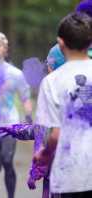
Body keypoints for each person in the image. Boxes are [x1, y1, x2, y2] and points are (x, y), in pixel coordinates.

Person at [34, 12, 92, 198]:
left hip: (71, 174)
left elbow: (55, 134)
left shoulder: (52, 82)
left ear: (60, 43)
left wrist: (44, 154)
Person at [0, 31, 33, 198]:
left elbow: (25, 97)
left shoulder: (15, 73)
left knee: (7, 161)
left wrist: (28, 117)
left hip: (10, 125)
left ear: (6, 49)